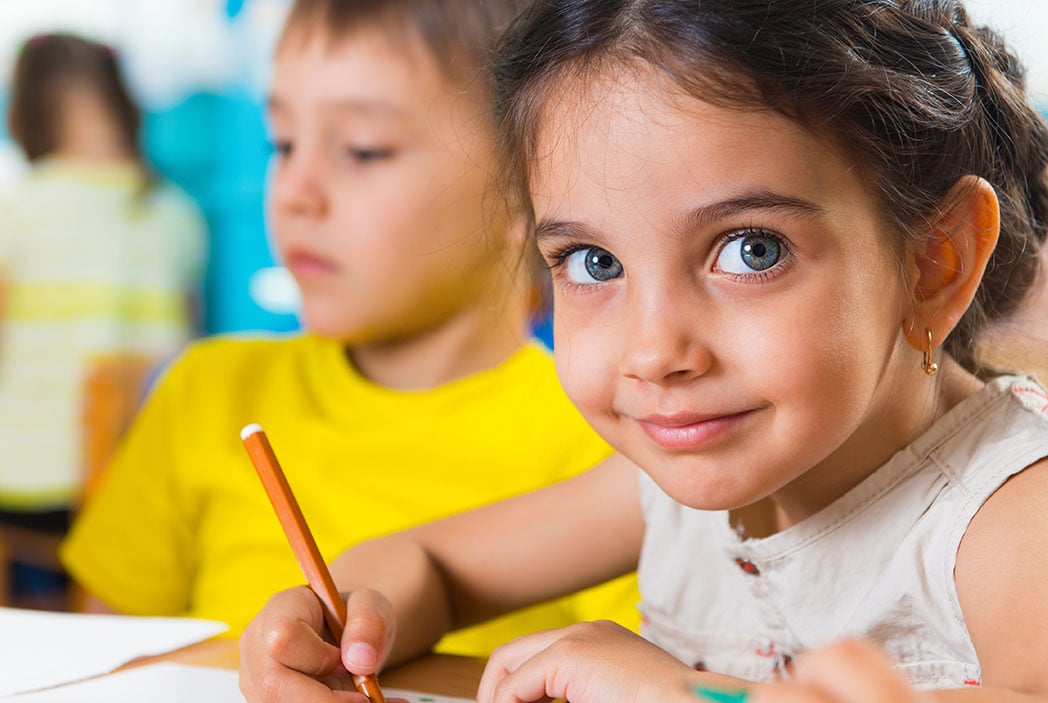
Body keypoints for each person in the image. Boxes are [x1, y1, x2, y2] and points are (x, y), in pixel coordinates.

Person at [239, 1, 1048, 701]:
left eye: (749, 249)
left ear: (933, 263)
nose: (655, 348)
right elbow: (429, 563)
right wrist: (342, 618)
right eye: (592, 261)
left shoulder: (1029, 513)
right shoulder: (686, 477)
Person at [60, 0, 637, 656]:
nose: (295, 189)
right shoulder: (206, 394)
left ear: (527, 187)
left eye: (362, 150)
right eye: (282, 143)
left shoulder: (608, 437)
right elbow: (100, 664)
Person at [0, 34, 204, 547]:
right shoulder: (179, 213)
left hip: (30, 482)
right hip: (143, 481)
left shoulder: (18, 210)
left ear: (27, 107)